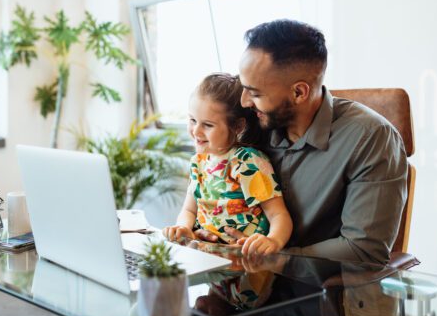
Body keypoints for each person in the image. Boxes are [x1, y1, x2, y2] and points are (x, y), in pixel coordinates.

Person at [195, 19, 407, 265]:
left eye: (255, 93)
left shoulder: (371, 137)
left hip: (317, 295)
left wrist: (269, 257)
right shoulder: (252, 123)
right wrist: (207, 234)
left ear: (299, 92)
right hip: (234, 280)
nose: (244, 102)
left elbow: (362, 251)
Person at [162, 73, 293, 255]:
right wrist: (183, 227)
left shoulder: (247, 161)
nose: (196, 131)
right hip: (208, 255)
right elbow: (189, 209)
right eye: (192, 120)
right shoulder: (199, 162)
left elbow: (278, 214)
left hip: (247, 260)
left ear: (238, 126)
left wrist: (273, 241)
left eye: (208, 125)